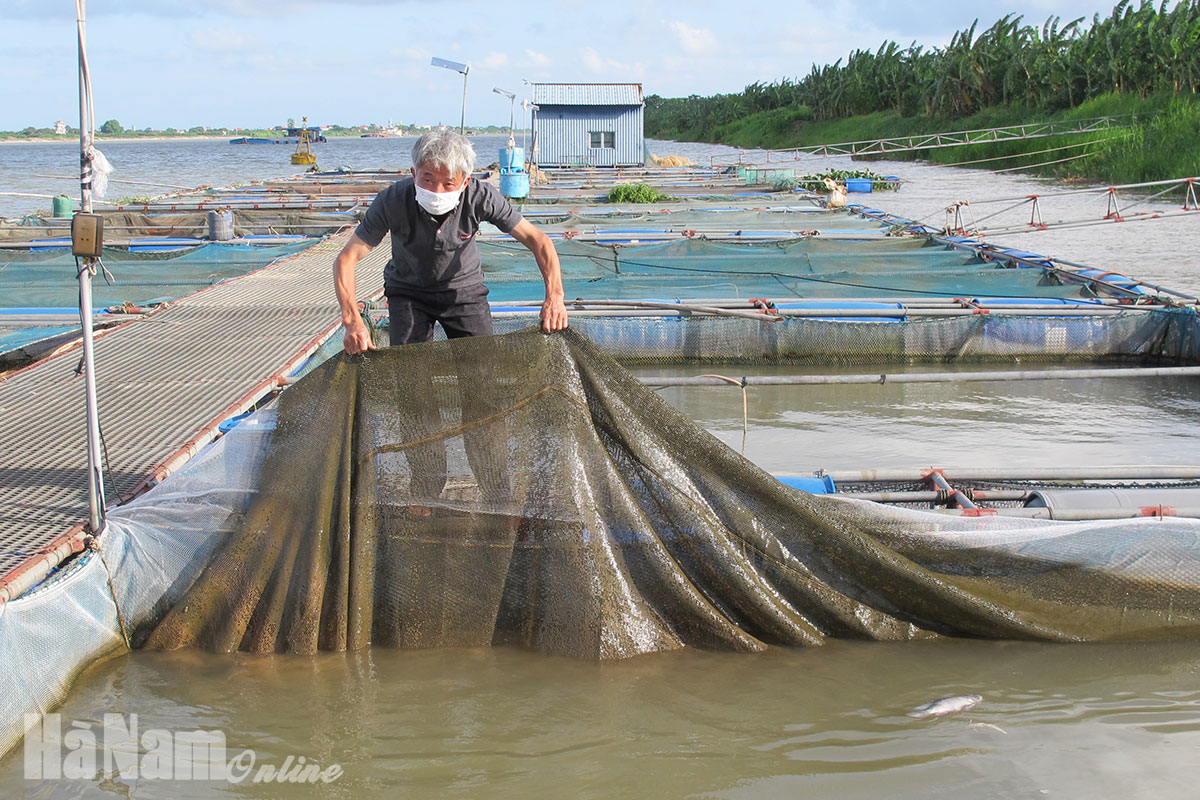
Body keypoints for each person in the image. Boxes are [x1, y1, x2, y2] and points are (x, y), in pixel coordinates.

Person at [333, 129, 568, 352]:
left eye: (448, 183)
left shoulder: (480, 197)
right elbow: (346, 259)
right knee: (410, 375)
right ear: (413, 174)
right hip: (408, 290)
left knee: (480, 370)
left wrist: (555, 297)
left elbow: (538, 240)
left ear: (465, 182)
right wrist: (352, 320)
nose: (437, 191)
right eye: (427, 180)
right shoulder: (392, 200)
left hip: (463, 290)